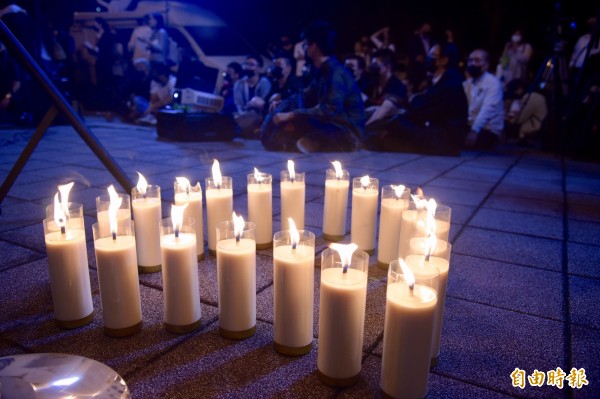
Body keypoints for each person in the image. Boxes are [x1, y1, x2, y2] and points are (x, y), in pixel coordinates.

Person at [261, 21, 365, 153]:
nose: (304, 49)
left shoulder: (335, 72)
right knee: (281, 126)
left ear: (314, 45)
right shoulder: (322, 71)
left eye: (305, 44)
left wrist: (292, 115)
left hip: (346, 131)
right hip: (331, 124)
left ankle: (314, 142)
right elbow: (305, 94)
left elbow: (329, 109)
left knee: (295, 122)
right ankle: (308, 142)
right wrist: (282, 101)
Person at [365, 43, 468, 155]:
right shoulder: (437, 80)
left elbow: (422, 110)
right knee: (388, 136)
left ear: (444, 60)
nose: (428, 58)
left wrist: (413, 101)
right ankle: (374, 137)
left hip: (443, 138)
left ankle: (368, 135)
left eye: (433, 55)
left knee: (396, 122)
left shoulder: (451, 84)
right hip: (433, 130)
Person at [463, 49, 504, 149]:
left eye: (477, 60)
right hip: (470, 125)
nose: (472, 63)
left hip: (487, 129)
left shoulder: (493, 83)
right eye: (470, 60)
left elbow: (487, 109)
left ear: (486, 65)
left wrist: (474, 130)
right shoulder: (468, 83)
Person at [365, 49, 407, 126]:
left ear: (387, 67)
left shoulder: (397, 86)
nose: (372, 68)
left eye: (376, 65)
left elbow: (385, 109)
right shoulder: (374, 83)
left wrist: (364, 127)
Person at [233, 54, 271, 137]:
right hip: (243, 114)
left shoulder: (265, 83)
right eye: (246, 64)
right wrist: (246, 108)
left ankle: (237, 128)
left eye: (251, 65)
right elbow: (238, 103)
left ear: (259, 68)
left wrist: (252, 105)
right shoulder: (239, 83)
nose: (247, 67)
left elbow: (262, 104)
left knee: (254, 114)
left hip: (259, 115)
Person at [406, 22, 433, 92]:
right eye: (425, 28)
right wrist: (415, 57)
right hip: (417, 72)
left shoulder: (432, 41)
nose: (427, 30)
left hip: (429, 70)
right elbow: (410, 53)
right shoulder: (414, 40)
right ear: (421, 28)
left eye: (429, 29)